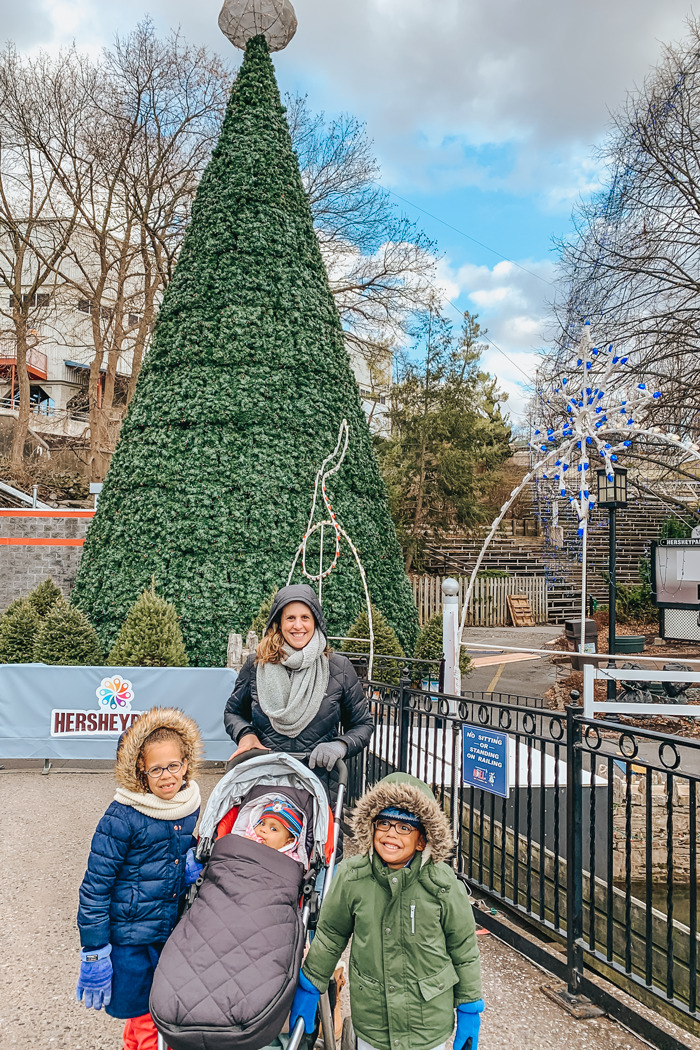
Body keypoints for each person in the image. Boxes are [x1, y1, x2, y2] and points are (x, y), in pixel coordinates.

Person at [289, 772, 485, 1050]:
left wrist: (469, 1006)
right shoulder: (353, 877)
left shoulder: (441, 884)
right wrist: (311, 985)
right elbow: (331, 935)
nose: (391, 833)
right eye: (384, 823)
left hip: (427, 1018)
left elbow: (463, 948)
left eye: (404, 828)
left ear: (422, 840)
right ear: (371, 828)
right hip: (373, 1017)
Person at [76, 707, 203, 1050]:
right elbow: (95, 888)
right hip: (130, 940)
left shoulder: (191, 807)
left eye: (173, 765)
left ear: (186, 764)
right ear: (140, 772)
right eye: (156, 768)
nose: (166, 776)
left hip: (171, 935)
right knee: (146, 1018)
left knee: (151, 1018)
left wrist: (195, 863)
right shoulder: (121, 817)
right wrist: (94, 949)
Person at [224, 583, 373, 776]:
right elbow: (233, 712)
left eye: (305, 618)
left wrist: (340, 746)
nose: (298, 625)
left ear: (316, 622)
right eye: (290, 618)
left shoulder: (339, 668)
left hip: (320, 781)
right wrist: (246, 735)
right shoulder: (256, 665)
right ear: (278, 623)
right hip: (264, 777)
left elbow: (362, 725)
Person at [242, 796, 305, 862]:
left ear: (287, 842)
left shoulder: (291, 860)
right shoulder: (247, 840)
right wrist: (244, 844)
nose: (263, 829)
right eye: (262, 824)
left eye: (273, 829)